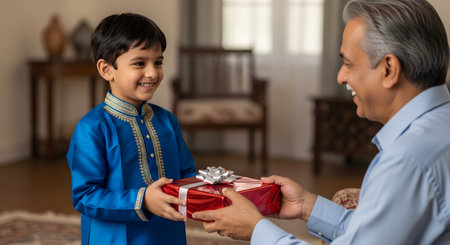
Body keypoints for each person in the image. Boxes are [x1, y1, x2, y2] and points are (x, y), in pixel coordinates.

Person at [192, 0, 450, 244]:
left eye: (348, 64)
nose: (340, 77)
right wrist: (306, 205)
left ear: (389, 69)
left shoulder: (406, 161)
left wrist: (256, 230)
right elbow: (377, 235)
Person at [66, 13, 196, 244]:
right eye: (139, 63)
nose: (152, 73)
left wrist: (215, 191)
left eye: (158, 62)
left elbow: (188, 175)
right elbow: (85, 196)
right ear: (106, 70)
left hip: (168, 232)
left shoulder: (167, 121)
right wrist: (144, 200)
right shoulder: (92, 128)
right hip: (114, 237)